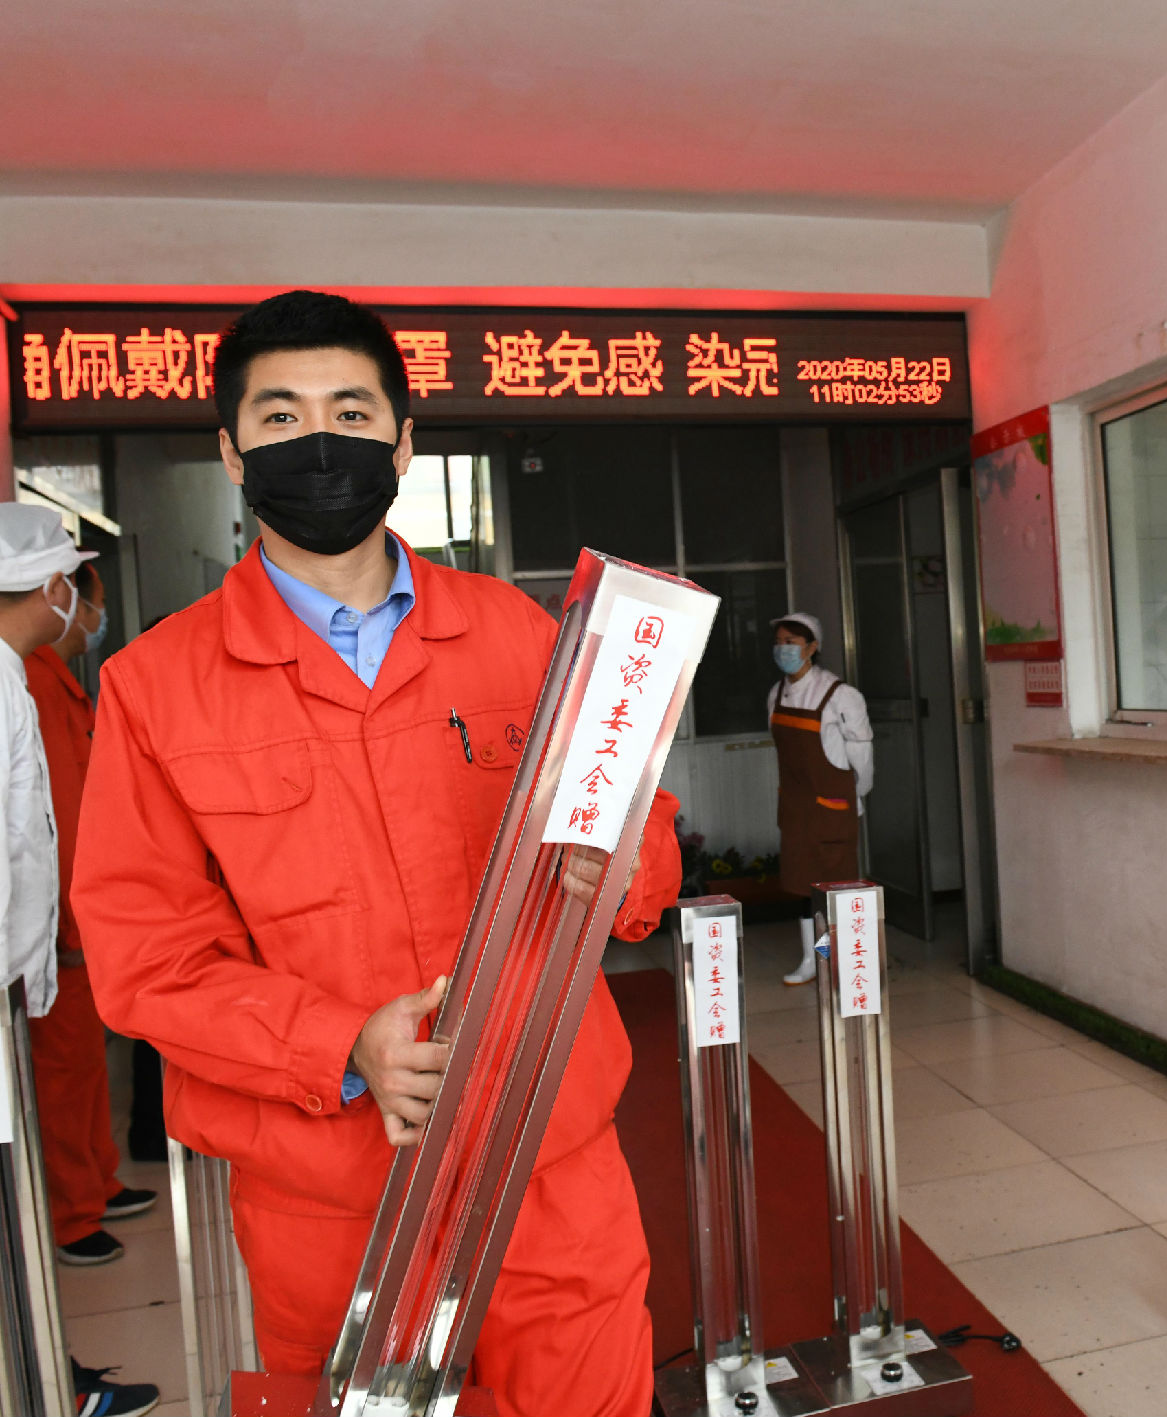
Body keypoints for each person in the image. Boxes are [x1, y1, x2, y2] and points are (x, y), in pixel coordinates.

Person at [73, 290, 681, 1417]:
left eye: (351, 413)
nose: (320, 444)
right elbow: (146, 957)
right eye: (281, 416)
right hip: (328, 1195)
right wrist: (341, 1042)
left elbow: (642, 827)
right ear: (232, 452)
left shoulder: (519, 633)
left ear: (403, 443)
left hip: (548, 1160)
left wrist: (621, 867)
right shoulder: (156, 688)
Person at [0, 505, 161, 1415]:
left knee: (70, 1080)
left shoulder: (30, 679)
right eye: (67, 582)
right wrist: (54, 934)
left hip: (44, 939)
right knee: (51, 1089)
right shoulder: (12, 683)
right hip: (33, 946)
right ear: (46, 587)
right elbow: (27, 838)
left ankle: (49, 1367)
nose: (75, 602)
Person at [24, 559, 157, 1269]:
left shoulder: (56, 681)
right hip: (57, 921)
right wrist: (71, 924)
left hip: (77, 911)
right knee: (63, 1072)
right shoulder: (31, 685)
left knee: (83, 1067)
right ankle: (71, 1213)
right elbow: (50, 821)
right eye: (93, 603)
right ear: (65, 597)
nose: (95, 619)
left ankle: (97, 1182)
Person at [767, 612, 873, 984]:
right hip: (796, 809)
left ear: (812, 647)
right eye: (779, 642)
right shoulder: (776, 694)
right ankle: (812, 959)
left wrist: (853, 796)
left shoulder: (840, 695)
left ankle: (839, 960)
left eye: (791, 642)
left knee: (834, 888)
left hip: (832, 809)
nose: (782, 649)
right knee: (802, 887)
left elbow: (861, 756)